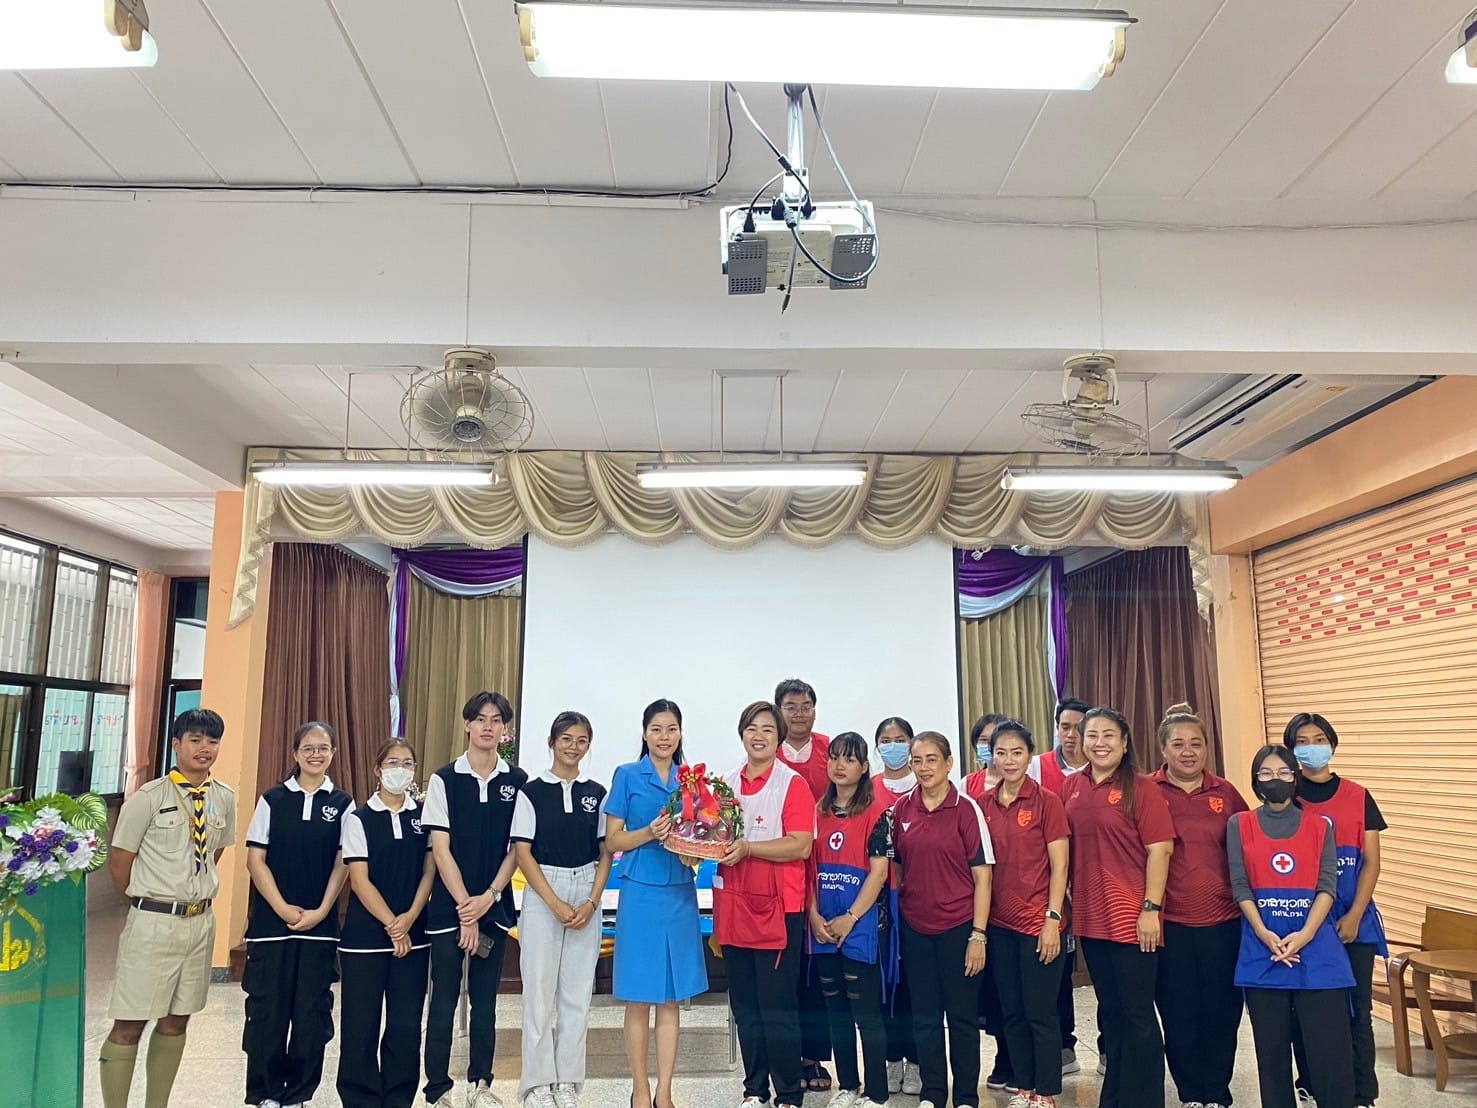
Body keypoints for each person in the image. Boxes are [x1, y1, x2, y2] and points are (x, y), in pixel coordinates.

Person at [99, 708, 237, 1108]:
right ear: (176, 744)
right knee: (130, 1022)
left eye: (212, 741)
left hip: (199, 923)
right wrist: (141, 903)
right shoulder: (149, 796)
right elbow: (120, 859)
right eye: (195, 740)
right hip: (153, 923)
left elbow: (214, 854)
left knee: (177, 1020)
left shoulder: (223, 797)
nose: (204, 748)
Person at [1060, 707, 1175, 1108]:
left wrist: (1151, 909)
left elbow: (1160, 850)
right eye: (1092, 735)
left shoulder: (1142, 789)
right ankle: (1115, 1097)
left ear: (1125, 743)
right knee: (1111, 1013)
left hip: (1133, 917)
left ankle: (1146, 1100)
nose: (1100, 743)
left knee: (1138, 1015)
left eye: (1109, 735)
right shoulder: (1071, 786)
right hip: (1091, 918)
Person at [1230, 745, 1355, 1108]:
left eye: (1284, 772)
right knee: (1272, 1060)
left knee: (1330, 1057)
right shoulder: (1239, 824)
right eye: (1267, 773)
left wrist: (1305, 935)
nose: (1276, 780)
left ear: (1295, 778)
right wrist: (1264, 933)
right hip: (1263, 951)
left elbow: (1327, 885)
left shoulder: (1319, 826)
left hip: (1317, 951)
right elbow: (1240, 886)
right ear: (1256, 780)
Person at [422, 691, 527, 1108]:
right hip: (450, 906)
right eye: (480, 719)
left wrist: (490, 896)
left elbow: (517, 848)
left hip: (494, 905)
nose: (488, 726)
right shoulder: (444, 779)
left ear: (505, 730)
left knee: (485, 1003)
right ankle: (437, 1089)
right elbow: (440, 849)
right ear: (467, 724)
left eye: (496, 720)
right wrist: (467, 908)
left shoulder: (517, 781)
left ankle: (480, 1084)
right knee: (443, 1000)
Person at [243, 721, 354, 1108]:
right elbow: (255, 860)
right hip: (272, 927)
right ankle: (265, 1092)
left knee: (311, 1014)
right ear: (295, 754)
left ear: (333, 753)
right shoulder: (273, 799)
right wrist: (281, 908)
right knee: (267, 1012)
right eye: (308, 748)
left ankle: (298, 1094)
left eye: (323, 748)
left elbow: (343, 862)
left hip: (320, 928)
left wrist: (322, 910)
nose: (315, 755)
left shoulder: (342, 804)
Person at [604, 700, 708, 1108]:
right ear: (645, 733)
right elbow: (613, 840)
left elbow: (702, 837)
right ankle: (640, 1090)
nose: (665, 737)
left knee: (670, 996)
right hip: (641, 892)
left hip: (679, 891)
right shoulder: (628, 775)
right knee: (639, 996)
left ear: (681, 733)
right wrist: (649, 832)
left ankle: (664, 1091)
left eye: (672, 729)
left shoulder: (692, 779)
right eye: (657, 729)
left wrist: (693, 854)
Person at [714, 700, 816, 1108]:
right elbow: (713, 837)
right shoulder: (724, 784)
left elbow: (801, 845)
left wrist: (749, 849)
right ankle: (754, 1090)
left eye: (768, 730)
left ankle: (788, 1093)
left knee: (778, 1006)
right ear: (742, 734)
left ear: (779, 739)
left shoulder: (792, 784)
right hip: (734, 905)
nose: (759, 736)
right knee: (745, 1006)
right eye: (752, 729)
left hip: (779, 909)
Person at [1283, 712, 1387, 1108]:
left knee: (1357, 1009)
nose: (1312, 747)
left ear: (1332, 743)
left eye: (1319, 739)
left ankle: (1362, 1093)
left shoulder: (1358, 795)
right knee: (1305, 1009)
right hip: (1302, 923)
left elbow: (1371, 862)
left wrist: (1356, 914)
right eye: (1302, 741)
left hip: (1352, 920)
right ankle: (1310, 1083)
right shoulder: (1286, 797)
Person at [511, 711, 613, 1108]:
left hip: (586, 888)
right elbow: (522, 852)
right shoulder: (531, 792)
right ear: (552, 742)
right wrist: (554, 902)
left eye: (582, 740)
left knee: (577, 994)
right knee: (538, 993)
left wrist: (591, 902)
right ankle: (537, 1084)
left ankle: (568, 1082)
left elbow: (606, 851)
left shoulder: (597, 793)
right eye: (566, 738)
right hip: (544, 890)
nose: (574, 747)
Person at [1151, 703, 1249, 1108]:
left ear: (1207, 747)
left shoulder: (1226, 793)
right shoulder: (1147, 792)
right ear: (1163, 749)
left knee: (1223, 1012)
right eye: (1178, 744)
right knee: (1178, 1013)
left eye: (1196, 743)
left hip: (1224, 923)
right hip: (1169, 924)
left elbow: (1250, 850)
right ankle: (1191, 1092)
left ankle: (1217, 1091)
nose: (1188, 751)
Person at [891, 732, 994, 1108]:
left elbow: (984, 877)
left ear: (949, 763)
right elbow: (898, 868)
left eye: (931, 759)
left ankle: (965, 1096)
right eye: (917, 760)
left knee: (962, 1018)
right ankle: (933, 1094)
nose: (923, 768)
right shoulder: (901, 809)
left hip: (959, 928)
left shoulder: (967, 809)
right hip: (916, 929)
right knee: (925, 1017)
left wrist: (978, 935)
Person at [337, 738, 436, 1108]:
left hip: (415, 936)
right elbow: (359, 880)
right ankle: (360, 1098)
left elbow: (429, 872)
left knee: (405, 1027)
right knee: (360, 1026)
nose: (401, 769)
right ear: (378, 769)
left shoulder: (423, 817)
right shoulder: (358, 818)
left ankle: (398, 1098)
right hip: (365, 938)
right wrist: (393, 924)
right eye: (393, 762)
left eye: (408, 763)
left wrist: (409, 919)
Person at [981, 721, 1069, 1108]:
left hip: (1038, 922)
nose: (1009, 760)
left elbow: (1060, 865)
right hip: (999, 924)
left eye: (1017, 752)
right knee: (1011, 1012)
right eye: (1001, 753)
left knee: (1040, 1012)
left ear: (1029, 756)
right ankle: (1024, 1087)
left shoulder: (1046, 801)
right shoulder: (983, 804)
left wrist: (1053, 918)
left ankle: (1046, 1092)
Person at [810, 732, 895, 1108]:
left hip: (860, 926)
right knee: (836, 1012)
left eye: (849, 759)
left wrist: (851, 917)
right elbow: (807, 869)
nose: (839, 765)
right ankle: (848, 1085)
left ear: (863, 767)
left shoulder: (877, 814)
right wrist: (813, 916)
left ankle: (877, 1093)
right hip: (822, 927)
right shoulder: (817, 811)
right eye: (834, 757)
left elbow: (879, 873)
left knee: (866, 1013)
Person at [774, 677, 834, 1093]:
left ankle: (813, 1056)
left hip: (828, 867)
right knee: (786, 970)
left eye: (806, 706)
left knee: (818, 972)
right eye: (791, 707)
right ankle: (786, 1057)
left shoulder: (831, 750)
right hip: (782, 869)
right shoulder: (767, 751)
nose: (799, 714)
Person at [1027, 697, 1090, 1076]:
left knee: (1105, 970)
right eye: (1065, 727)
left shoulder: (1103, 769)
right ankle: (1064, 1046)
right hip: (1054, 888)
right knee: (1059, 968)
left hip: (1097, 884)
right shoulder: (1038, 767)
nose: (1072, 735)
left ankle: (1109, 1048)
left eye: (1079, 728)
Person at [961, 714, 1013, 1093]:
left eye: (997, 740)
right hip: (980, 902)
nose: (991, 748)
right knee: (991, 988)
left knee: (1016, 989)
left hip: (1015, 898)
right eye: (984, 740)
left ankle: (1019, 1059)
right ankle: (1002, 1056)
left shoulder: (1026, 783)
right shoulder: (967, 785)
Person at [873, 717, 920, 1097]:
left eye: (900, 739)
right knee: (884, 986)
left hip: (918, 899)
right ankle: (890, 1061)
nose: (893, 746)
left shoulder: (925, 785)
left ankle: (917, 1062)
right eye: (886, 740)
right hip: (877, 902)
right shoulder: (868, 789)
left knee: (916, 985)